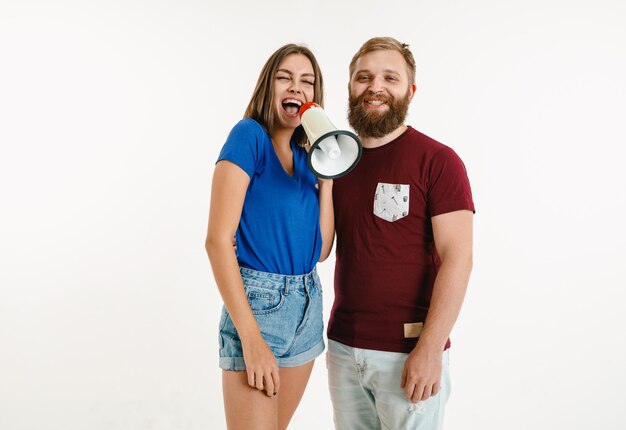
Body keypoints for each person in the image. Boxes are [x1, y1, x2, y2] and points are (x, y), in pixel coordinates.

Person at [326, 36, 475, 429]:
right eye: (364, 77)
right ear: (351, 89)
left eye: (390, 78)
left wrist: (429, 348)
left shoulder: (439, 161)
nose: (375, 86)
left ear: (409, 91)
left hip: (407, 353)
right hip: (343, 348)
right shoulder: (338, 163)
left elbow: (459, 258)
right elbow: (320, 245)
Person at [205, 44, 334, 430]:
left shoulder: (305, 158)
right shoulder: (249, 137)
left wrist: (325, 178)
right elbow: (216, 241)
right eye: (285, 78)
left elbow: (322, 250)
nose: (296, 87)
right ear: (268, 86)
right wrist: (251, 338)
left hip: (307, 305)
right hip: (258, 307)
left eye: (307, 81)